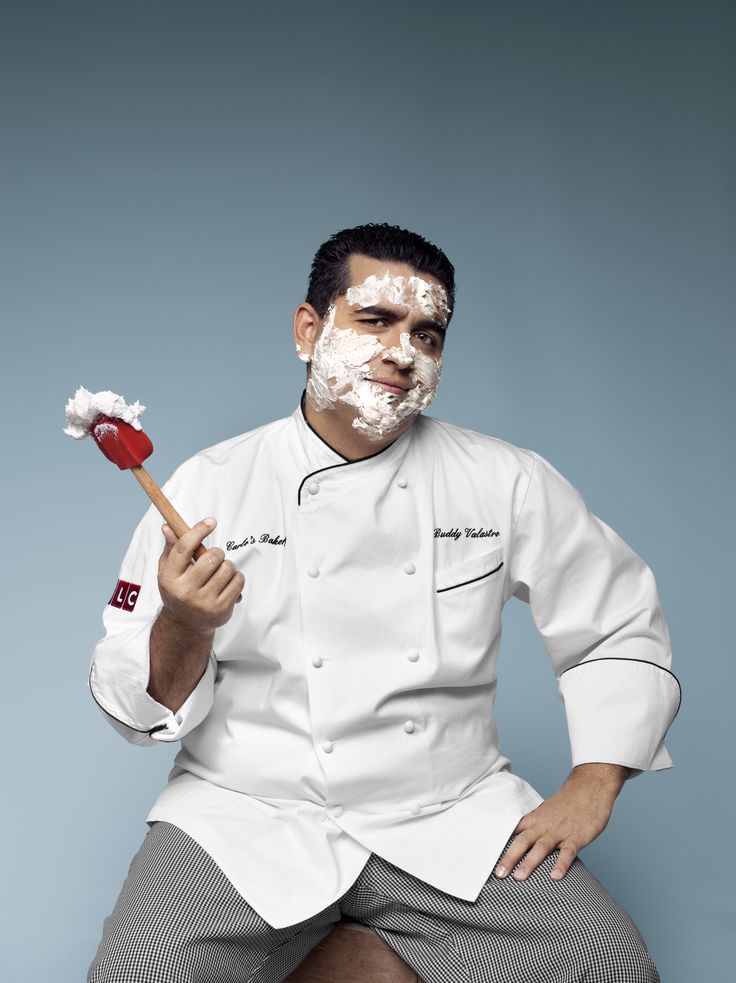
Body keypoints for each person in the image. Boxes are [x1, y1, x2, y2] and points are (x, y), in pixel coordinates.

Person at [87, 223, 680, 983]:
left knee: (608, 965)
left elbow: (617, 622)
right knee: (138, 971)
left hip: (446, 811)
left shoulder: (505, 479)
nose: (403, 351)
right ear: (310, 329)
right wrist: (185, 621)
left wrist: (594, 781)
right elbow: (136, 710)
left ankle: (363, 953)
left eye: (427, 333)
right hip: (246, 814)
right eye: (376, 320)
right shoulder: (205, 486)